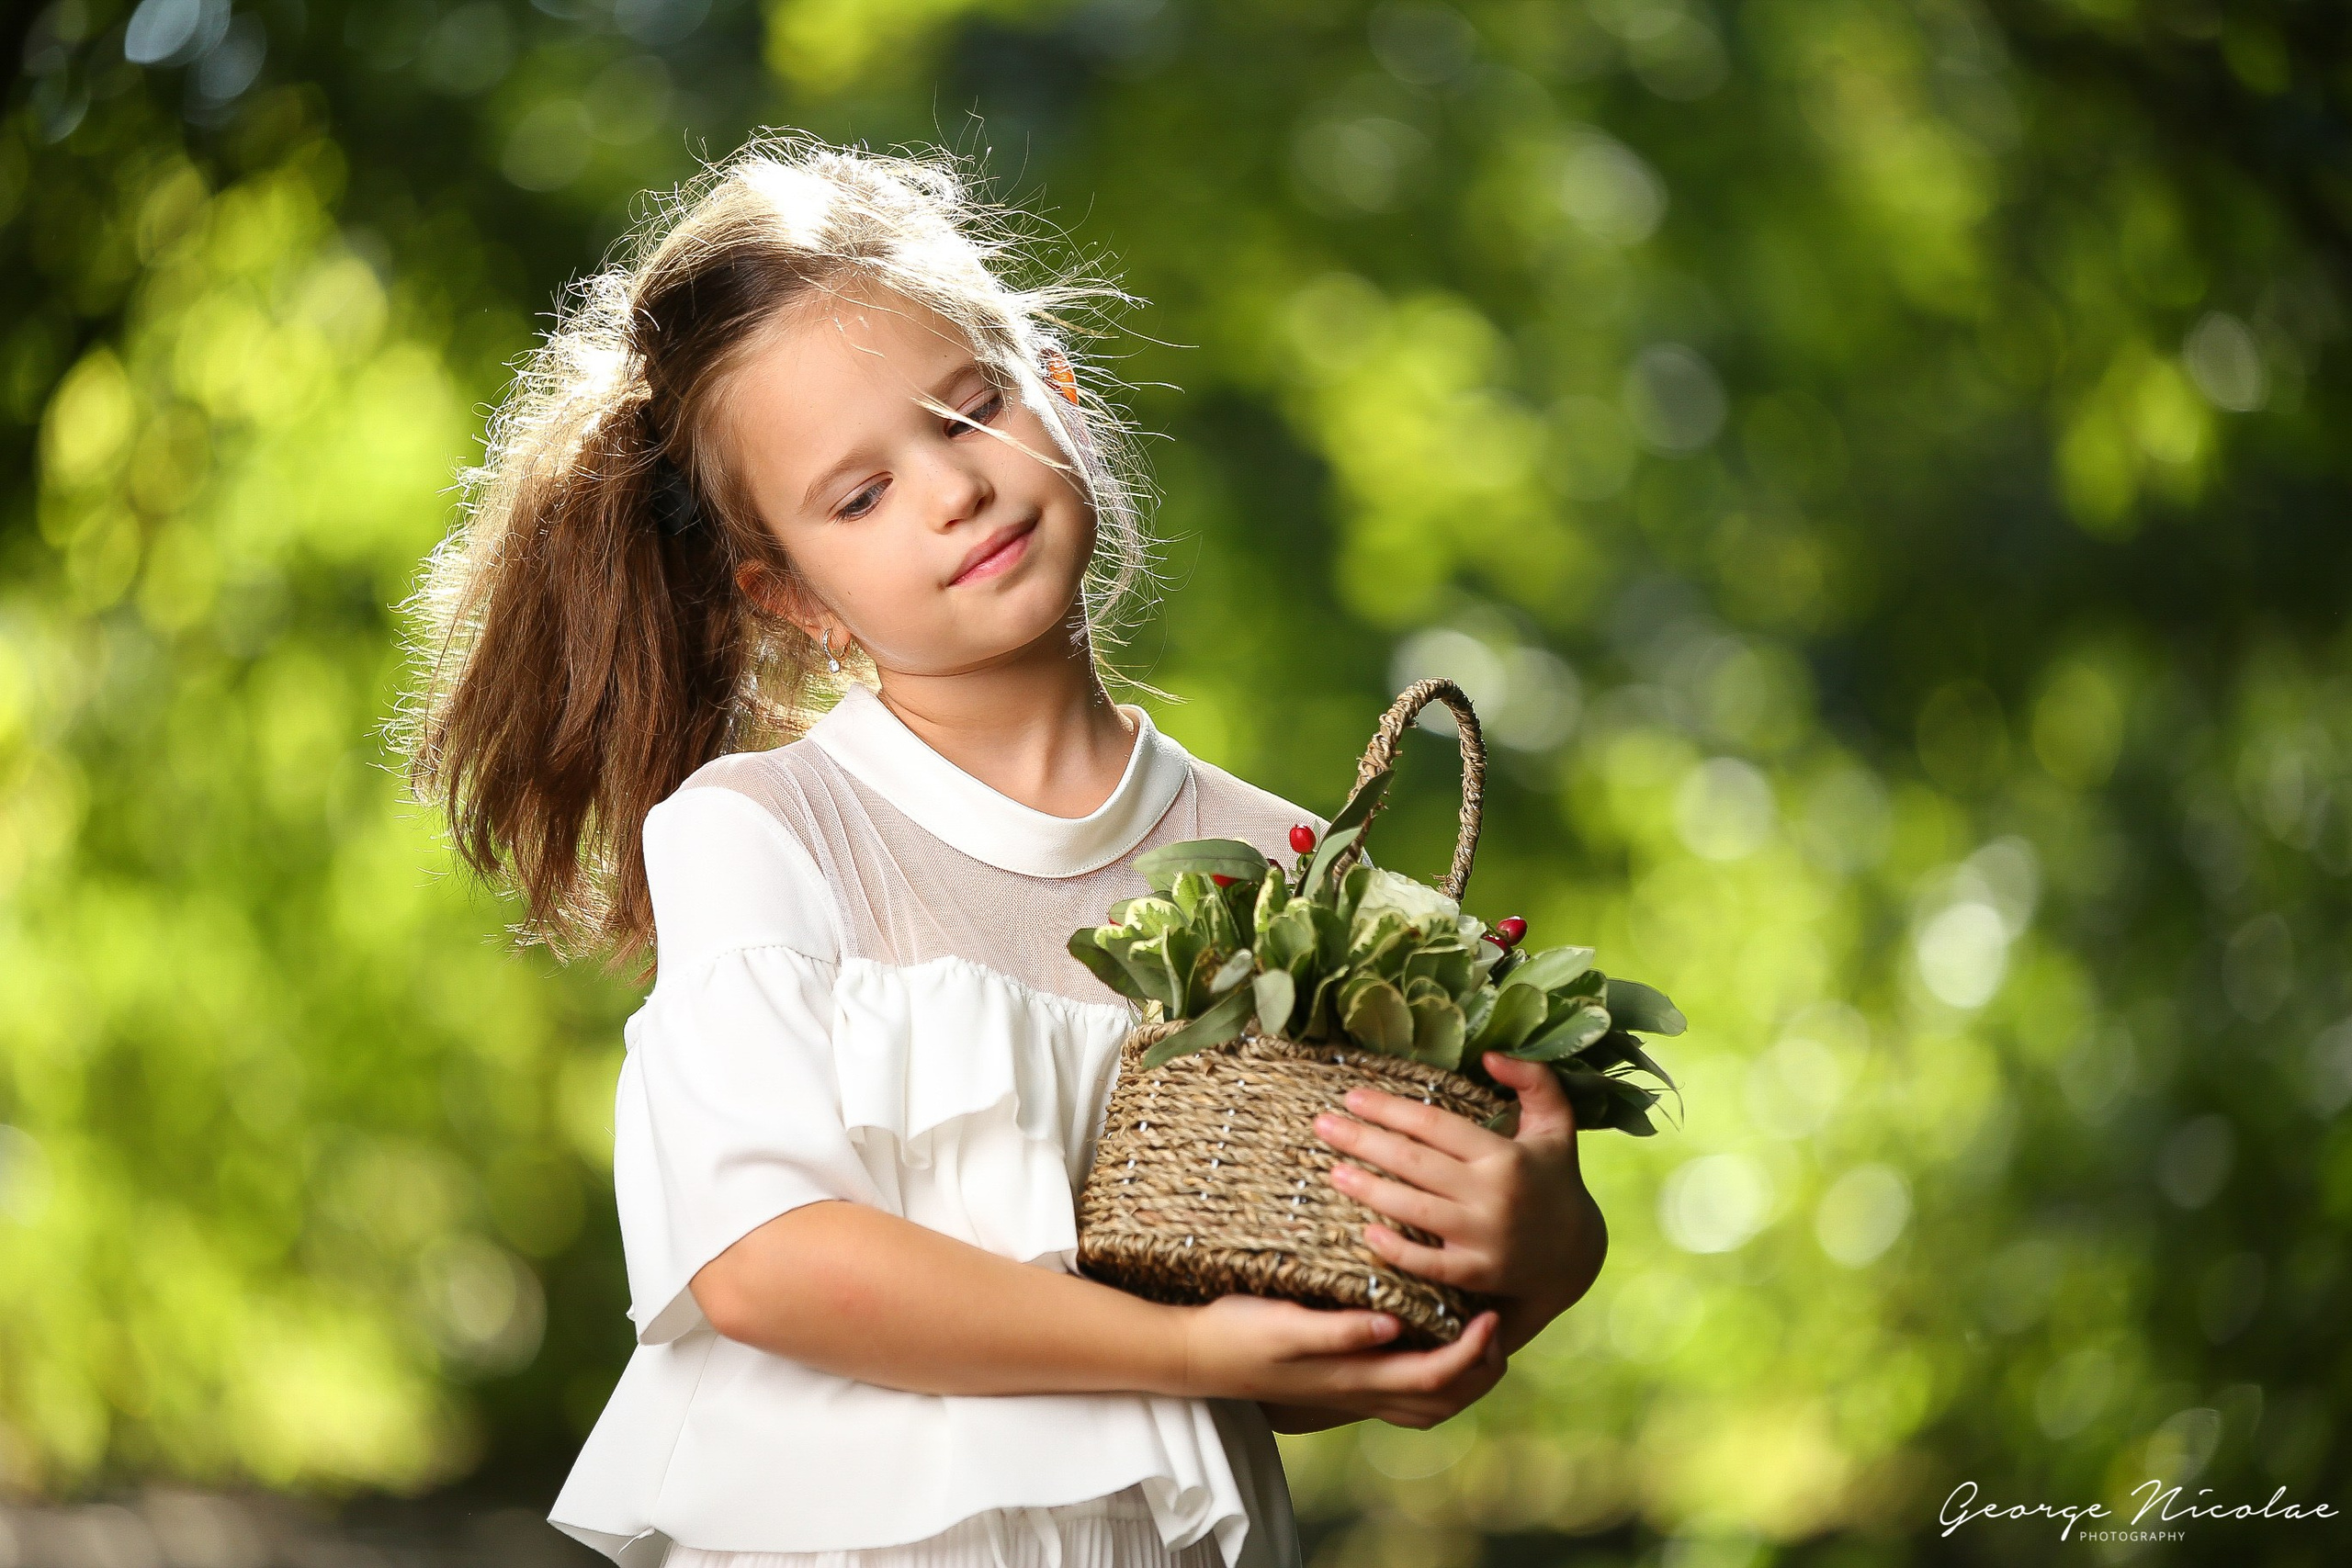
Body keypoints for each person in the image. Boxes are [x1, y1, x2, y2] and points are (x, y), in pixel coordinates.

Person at [396, 130, 1607, 1568]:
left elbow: (1356, 1311)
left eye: (968, 414)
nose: (951, 490)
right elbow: (765, 1264)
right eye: (860, 496)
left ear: (1062, 390)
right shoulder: (764, 839)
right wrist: (1202, 1363)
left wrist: (1542, 1248)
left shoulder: (1294, 874)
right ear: (790, 596)